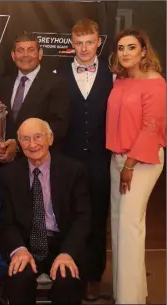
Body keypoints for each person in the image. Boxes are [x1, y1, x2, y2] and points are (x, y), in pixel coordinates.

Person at [0, 118, 90, 305]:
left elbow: (83, 218)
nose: (32, 144)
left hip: (62, 242)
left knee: (67, 280)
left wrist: (68, 252)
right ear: (19, 143)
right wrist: (18, 250)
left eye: (38, 137)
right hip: (26, 243)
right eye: (25, 139)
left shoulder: (73, 170)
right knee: (18, 277)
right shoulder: (8, 175)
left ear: (50, 138)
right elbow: (6, 221)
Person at [106, 28, 166, 304]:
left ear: (143, 51)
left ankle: (128, 301)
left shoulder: (156, 83)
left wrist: (129, 164)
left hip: (141, 160)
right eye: (121, 48)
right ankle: (131, 294)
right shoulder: (119, 81)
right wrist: (121, 162)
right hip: (118, 158)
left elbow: (151, 127)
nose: (126, 53)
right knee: (120, 227)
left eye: (131, 47)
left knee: (130, 227)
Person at [58, 18, 113, 301]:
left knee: (97, 218)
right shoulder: (58, 73)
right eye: (78, 43)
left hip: (101, 161)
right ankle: (70, 275)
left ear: (98, 42)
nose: (84, 48)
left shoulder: (113, 74)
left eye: (89, 42)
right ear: (72, 43)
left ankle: (93, 277)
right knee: (70, 217)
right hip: (68, 159)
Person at [0, 32, 70, 153]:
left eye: (31, 50)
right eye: (20, 50)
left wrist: (19, 145)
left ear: (40, 54)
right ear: (13, 55)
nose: (25, 55)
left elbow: (59, 125)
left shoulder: (56, 83)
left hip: (40, 157)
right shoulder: (4, 83)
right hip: (6, 162)